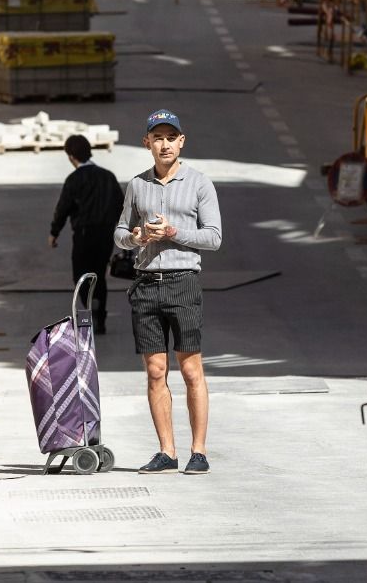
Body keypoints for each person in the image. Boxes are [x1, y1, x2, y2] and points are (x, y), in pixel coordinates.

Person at [114, 110, 221, 476]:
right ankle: (166, 451)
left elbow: (214, 237)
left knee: (191, 369)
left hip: (182, 282)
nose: (164, 144)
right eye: (156, 138)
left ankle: (199, 450)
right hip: (146, 285)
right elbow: (119, 232)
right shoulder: (137, 185)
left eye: (170, 137)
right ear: (147, 143)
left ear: (181, 142)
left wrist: (175, 233)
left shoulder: (200, 184)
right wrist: (136, 237)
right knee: (155, 371)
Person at [49, 134, 124, 334]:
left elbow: (63, 207)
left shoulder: (74, 180)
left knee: (81, 276)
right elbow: (121, 204)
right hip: (106, 233)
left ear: (71, 156)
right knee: (99, 274)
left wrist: (54, 232)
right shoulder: (107, 176)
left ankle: (89, 313)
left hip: (84, 234)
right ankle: (100, 316)